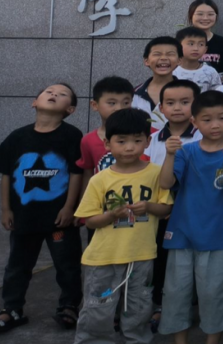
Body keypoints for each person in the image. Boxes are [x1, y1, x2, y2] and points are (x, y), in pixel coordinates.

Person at [0, 84, 83, 335]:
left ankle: (69, 306)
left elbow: (76, 173)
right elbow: (6, 173)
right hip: (24, 216)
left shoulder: (71, 135)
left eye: (62, 94)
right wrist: (6, 209)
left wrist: (70, 207)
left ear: (70, 109)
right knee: (17, 265)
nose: (54, 94)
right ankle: (12, 308)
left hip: (58, 218)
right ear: (34, 102)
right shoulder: (18, 136)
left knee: (67, 264)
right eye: (49, 91)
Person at [157, 90, 223, 344]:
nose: (215, 125)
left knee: (214, 293)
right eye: (207, 119)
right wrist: (169, 155)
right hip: (182, 232)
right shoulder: (186, 151)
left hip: (219, 234)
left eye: (222, 118)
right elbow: (166, 183)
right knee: (176, 292)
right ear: (194, 122)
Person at [74, 108, 174, 344]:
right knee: (98, 306)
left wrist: (148, 206)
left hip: (141, 255)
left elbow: (166, 209)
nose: (129, 147)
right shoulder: (100, 179)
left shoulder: (156, 173)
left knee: (139, 306)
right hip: (103, 257)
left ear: (148, 142)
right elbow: (90, 220)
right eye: (121, 141)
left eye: (137, 141)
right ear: (107, 144)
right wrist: (111, 215)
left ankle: (137, 339)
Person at [142, 79, 200, 328]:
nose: (177, 108)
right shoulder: (152, 140)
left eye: (185, 102)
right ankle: (161, 306)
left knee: (194, 261)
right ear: (161, 108)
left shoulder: (204, 137)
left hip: (196, 211)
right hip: (162, 212)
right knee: (162, 260)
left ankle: (193, 304)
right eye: (170, 103)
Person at [77, 76, 135, 201]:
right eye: (112, 103)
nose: (119, 108)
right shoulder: (88, 140)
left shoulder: (146, 135)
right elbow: (88, 175)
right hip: (101, 203)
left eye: (126, 103)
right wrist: (84, 205)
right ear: (94, 105)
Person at [134, 36, 180, 134]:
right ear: (146, 61)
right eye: (157, 54)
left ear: (179, 60)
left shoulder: (189, 94)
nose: (163, 58)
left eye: (170, 54)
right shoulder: (133, 94)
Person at [188, 0, 223, 80]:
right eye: (200, 14)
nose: (205, 18)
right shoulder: (181, 42)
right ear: (191, 16)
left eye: (210, 14)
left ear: (216, 17)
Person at [174, 26, 223, 92]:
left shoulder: (210, 72)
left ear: (205, 49)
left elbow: (217, 94)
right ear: (178, 46)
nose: (196, 48)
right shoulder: (172, 71)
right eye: (191, 44)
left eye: (201, 44)